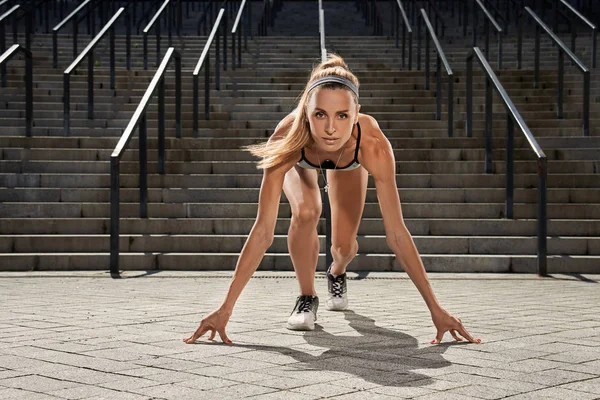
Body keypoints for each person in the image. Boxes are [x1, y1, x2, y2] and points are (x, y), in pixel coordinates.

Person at [184, 54, 481, 345]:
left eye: (342, 116)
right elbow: (262, 231)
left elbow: (396, 234)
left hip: (349, 164)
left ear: (356, 113)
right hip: (301, 159)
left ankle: (337, 271)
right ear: (306, 111)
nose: (330, 128)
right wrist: (225, 308)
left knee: (343, 246)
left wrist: (436, 309)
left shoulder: (372, 144)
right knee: (306, 211)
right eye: (320, 114)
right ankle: (306, 296)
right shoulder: (285, 136)